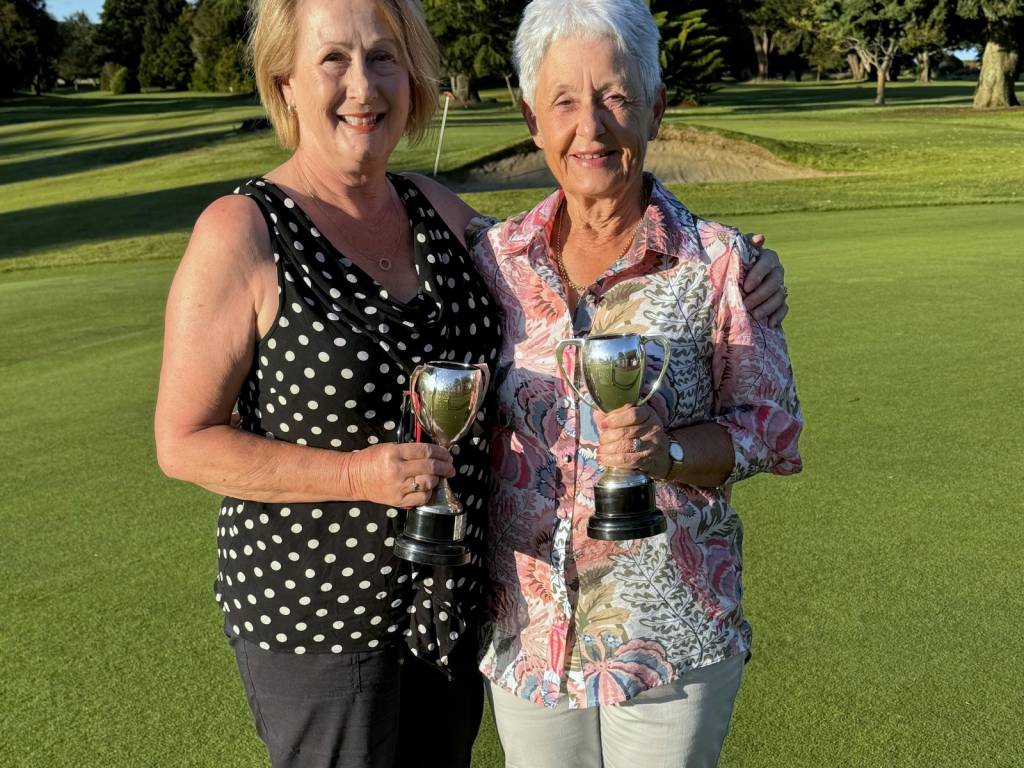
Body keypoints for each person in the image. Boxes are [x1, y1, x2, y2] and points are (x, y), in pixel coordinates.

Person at [154, 0, 789, 765]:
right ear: (284, 83)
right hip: (326, 622)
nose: (364, 86)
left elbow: (760, 420)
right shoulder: (245, 230)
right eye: (334, 60)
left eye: (383, 57)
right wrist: (357, 473)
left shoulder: (443, 219)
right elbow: (182, 442)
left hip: (461, 612)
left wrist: (743, 270)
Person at [458, 1, 805, 766]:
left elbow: (770, 430)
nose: (592, 126)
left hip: (669, 632)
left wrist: (670, 455)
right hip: (530, 627)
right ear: (531, 117)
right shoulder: (494, 261)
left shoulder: (719, 263)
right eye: (565, 102)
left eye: (616, 96)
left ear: (656, 106)